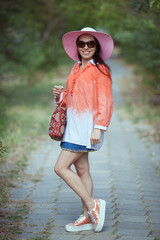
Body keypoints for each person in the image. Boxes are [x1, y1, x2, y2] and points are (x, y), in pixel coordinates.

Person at [52, 27, 114, 232]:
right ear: (77, 47)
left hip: (86, 128)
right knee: (82, 170)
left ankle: (92, 204)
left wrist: (99, 128)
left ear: (96, 47)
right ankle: (88, 218)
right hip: (73, 125)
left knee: (60, 167)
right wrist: (59, 95)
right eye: (82, 43)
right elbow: (71, 98)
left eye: (90, 43)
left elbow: (106, 102)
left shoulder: (101, 71)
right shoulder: (75, 68)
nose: (86, 47)